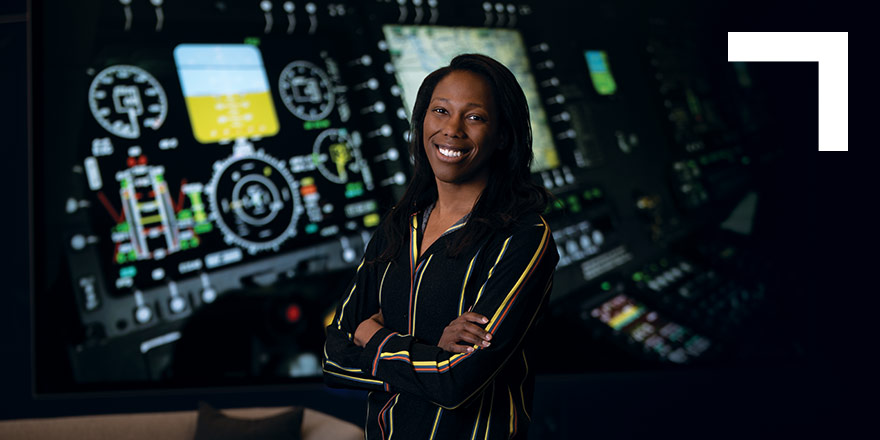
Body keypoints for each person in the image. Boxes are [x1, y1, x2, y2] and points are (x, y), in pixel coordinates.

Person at [323, 53, 558, 439]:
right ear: (422, 122)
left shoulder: (524, 236)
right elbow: (333, 359)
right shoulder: (399, 224)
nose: (452, 130)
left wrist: (375, 336)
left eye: (475, 117)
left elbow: (457, 383)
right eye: (440, 111)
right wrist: (433, 350)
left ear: (502, 135)